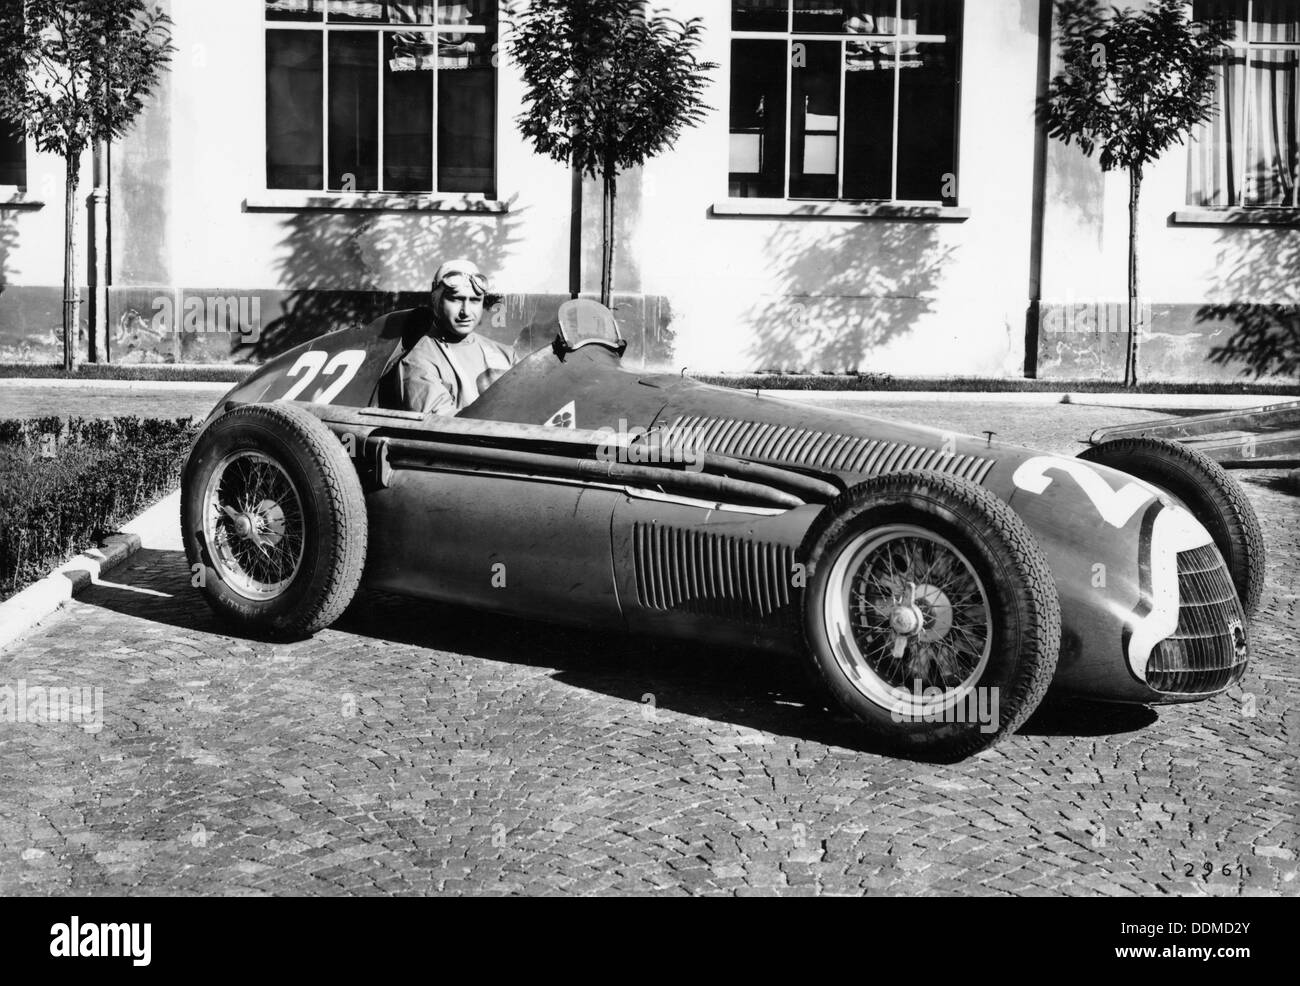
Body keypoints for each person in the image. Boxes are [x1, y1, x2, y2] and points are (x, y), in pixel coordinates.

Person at [380, 259, 515, 415]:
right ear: (435, 301)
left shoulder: (506, 354)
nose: (466, 311)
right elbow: (444, 429)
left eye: (474, 300)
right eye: (456, 299)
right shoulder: (418, 362)